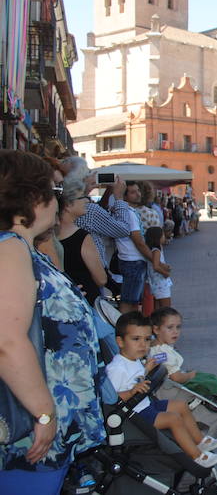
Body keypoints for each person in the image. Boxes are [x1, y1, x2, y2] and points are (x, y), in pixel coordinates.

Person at [0, 151, 106, 492]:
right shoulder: (10, 248)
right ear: (31, 197)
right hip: (29, 429)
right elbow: (7, 339)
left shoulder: (21, 247)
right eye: (55, 191)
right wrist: (43, 412)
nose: (58, 200)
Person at [106, 312, 217, 468]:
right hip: (136, 414)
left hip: (146, 404)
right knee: (174, 419)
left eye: (147, 339)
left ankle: (200, 441)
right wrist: (132, 392)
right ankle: (197, 456)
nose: (143, 345)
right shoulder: (116, 368)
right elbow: (111, 399)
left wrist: (147, 369)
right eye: (136, 339)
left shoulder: (133, 360)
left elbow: (136, 377)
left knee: (181, 406)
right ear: (120, 342)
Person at [149, 308, 217, 402]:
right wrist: (190, 375)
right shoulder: (162, 353)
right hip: (176, 387)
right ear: (156, 329)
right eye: (170, 327)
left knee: (206, 376)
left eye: (178, 327)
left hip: (172, 384)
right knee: (206, 379)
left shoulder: (155, 347)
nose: (175, 331)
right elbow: (176, 377)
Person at [115, 182, 166, 314]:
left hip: (132, 260)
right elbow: (139, 242)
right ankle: (127, 325)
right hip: (133, 261)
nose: (138, 194)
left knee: (133, 302)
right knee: (129, 302)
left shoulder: (128, 212)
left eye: (138, 190)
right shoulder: (129, 213)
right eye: (133, 192)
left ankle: (132, 324)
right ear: (124, 196)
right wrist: (156, 261)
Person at [58, 182, 107, 305]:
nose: (87, 200)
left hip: (63, 298)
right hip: (86, 299)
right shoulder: (82, 237)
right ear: (68, 205)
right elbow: (101, 279)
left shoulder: (48, 235)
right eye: (82, 197)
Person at [144, 227, 173, 310]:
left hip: (156, 283)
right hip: (160, 282)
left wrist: (165, 266)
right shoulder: (156, 251)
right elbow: (155, 266)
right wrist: (165, 273)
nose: (164, 237)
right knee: (166, 308)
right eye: (162, 235)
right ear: (157, 238)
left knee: (158, 308)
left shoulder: (154, 250)